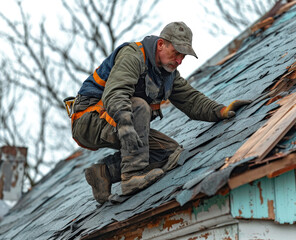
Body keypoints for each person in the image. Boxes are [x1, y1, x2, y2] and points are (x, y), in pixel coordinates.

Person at [71, 22, 250, 204]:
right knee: (139, 106)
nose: (179, 60)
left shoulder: (168, 74)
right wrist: (125, 123)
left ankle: (103, 173)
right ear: (161, 44)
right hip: (89, 119)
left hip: (116, 119)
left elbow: (191, 99)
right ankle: (132, 176)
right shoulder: (133, 56)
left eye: (183, 56)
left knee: (171, 154)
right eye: (177, 53)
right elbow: (116, 94)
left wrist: (220, 110)